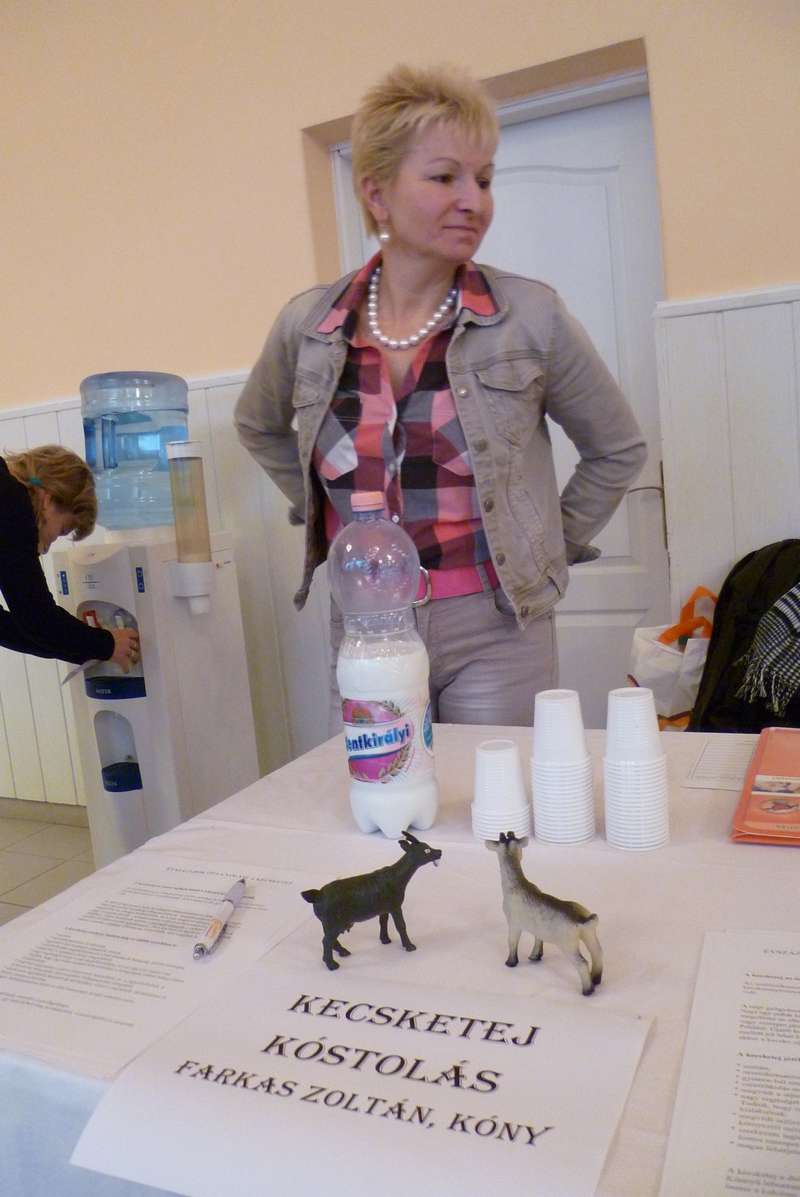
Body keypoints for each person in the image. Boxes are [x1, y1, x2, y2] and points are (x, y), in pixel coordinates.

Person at [235, 63, 647, 728]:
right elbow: (258, 424)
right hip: (368, 624)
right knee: (383, 787)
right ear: (377, 193)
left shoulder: (530, 316)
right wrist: (325, 509)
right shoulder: (308, 324)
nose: (473, 200)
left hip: (497, 625)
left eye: (483, 179)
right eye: (444, 177)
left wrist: (544, 542)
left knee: (492, 792)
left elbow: (617, 449)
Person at [0, 445, 139, 669]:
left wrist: (90, 649)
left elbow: (12, 627)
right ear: (48, 499)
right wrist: (108, 645)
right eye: (62, 530)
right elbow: (37, 618)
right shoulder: (12, 502)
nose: (46, 548)